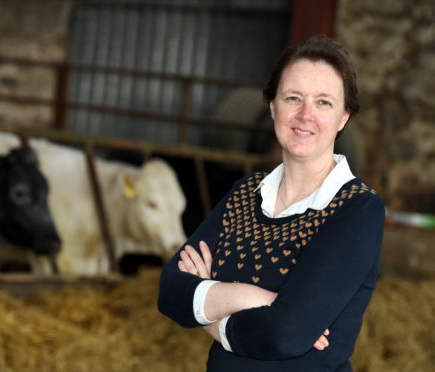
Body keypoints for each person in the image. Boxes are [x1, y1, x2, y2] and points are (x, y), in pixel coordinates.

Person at [157, 35, 385, 371]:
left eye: (324, 102)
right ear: (273, 107)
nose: (306, 115)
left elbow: (285, 334)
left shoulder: (356, 209)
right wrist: (249, 297)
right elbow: (170, 291)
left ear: (343, 117)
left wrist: (209, 310)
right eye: (294, 98)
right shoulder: (245, 194)